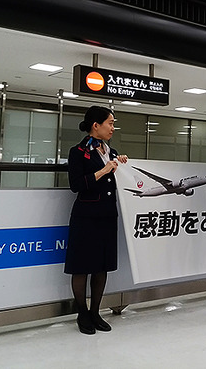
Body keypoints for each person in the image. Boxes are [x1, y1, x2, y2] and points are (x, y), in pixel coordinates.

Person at [64, 106, 128, 335]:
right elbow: (76, 185)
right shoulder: (78, 152)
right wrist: (104, 170)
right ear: (96, 125)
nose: (113, 127)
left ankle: (95, 312)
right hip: (86, 216)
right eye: (110, 123)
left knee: (102, 267)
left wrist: (120, 164)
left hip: (107, 216)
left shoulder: (111, 151)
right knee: (81, 267)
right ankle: (82, 313)